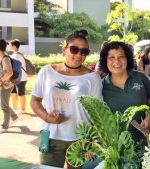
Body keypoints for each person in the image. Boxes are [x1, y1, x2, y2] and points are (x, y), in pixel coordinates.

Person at [30, 29, 103, 168]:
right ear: (64, 49)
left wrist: (91, 142)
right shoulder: (47, 71)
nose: (79, 55)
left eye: (84, 52)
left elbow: (97, 114)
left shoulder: (92, 78)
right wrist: (46, 117)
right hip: (52, 137)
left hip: (80, 140)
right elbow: (34, 101)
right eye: (74, 49)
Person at [99, 41, 150, 145]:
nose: (117, 61)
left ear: (127, 59)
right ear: (105, 61)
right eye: (111, 57)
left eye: (121, 57)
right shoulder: (100, 85)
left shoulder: (141, 79)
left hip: (139, 142)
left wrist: (149, 118)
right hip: (111, 146)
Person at [0, 39, 18, 134]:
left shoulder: (5, 58)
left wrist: (1, 80)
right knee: (2, 103)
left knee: (4, 106)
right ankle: (14, 116)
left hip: (6, 85)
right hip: (3, 84)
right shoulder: (1, 57)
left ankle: (5, 126)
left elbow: (9, 72)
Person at [9, 39, 28, 114]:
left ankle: (23, 109)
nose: (9, 46)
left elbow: (15, 68)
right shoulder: (15, 55)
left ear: (14, 46)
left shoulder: (16, 56)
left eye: (10, 45)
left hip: (21, 78)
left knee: (20, 93)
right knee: (13, 92)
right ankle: (15, 108)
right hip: (15, 78)